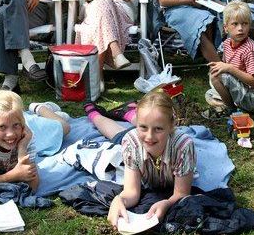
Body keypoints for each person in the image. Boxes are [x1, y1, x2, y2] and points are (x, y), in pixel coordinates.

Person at [83, 91, 196, 227]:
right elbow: (132, 191)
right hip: (132, 138)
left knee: (147, 122)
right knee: (114, 132)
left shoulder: (183, 147)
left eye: (158, 129)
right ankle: (94, 114)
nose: (149, 136)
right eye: (142, 127)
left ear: (172, 125)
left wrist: (167, 203)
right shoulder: (131, 142)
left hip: (156, 136)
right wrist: (120, 200)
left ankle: (127, 112)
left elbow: (182, 193)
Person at [0, 90, 70, 191]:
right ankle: (33, 118)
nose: (10, 134)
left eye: (16, 125)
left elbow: (33, 187)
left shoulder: (26, 136)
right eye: (1, 127)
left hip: (29, 123)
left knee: (65, 127)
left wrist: (22, 147)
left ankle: (41, 108)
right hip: (16, 118)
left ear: (21, 124)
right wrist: (13, 176)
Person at [206, 0, 254, 118]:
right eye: (235, 24)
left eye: (244, 23)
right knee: (210, 91)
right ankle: (241, 109)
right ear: (226, 28)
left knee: (217, 76)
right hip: (244, 88)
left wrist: (229, 68)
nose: (240, 28)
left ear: (249, 26)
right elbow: (226, 69)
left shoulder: (250, 49)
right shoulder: (226, 44)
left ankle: (232, 110)